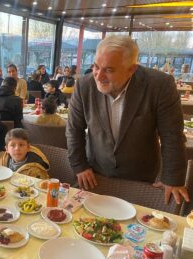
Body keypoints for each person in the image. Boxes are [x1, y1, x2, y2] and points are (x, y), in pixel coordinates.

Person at [66, 35, 189, 205]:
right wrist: (79, 165)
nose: (98, 76)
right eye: (96, 66)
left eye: (109, 70)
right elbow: (74, 129)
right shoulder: (84, 85)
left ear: (131, 70)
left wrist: (172, 178)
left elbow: (172, 135)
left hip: (141, 176)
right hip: (97, 173)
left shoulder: (160, 85)